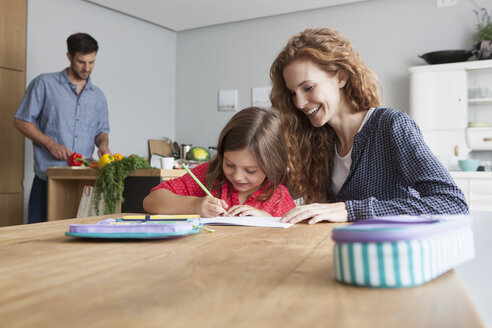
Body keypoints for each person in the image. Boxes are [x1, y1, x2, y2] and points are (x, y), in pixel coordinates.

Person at [269, 27, 468, 225]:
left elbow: (452, 203)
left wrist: (351, 209)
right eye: (293, 93)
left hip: (395, 253)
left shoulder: (391, 126)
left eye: (308, 87)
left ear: (340, 77)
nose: (299, 103)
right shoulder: (319, 142)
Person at [14, 33, 110, 224]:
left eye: (91, 62)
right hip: (48, 179)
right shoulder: (44, 84)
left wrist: (104, 144)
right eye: (81, 62)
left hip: (83, 181)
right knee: (37, 240)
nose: (87, 68)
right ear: (69, 56)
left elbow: (101, 131)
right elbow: (21, 121)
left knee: (79, 240)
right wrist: (50, 144)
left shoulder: (98, 96)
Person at [143, 107, 296, 217]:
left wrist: (267, 221)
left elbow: (293, 235)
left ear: (272, 167)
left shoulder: (279, 197)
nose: (237, 176)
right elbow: (151, 201)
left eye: (250, 170)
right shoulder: (209, 174)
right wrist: (194, 205)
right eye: (229, 164)